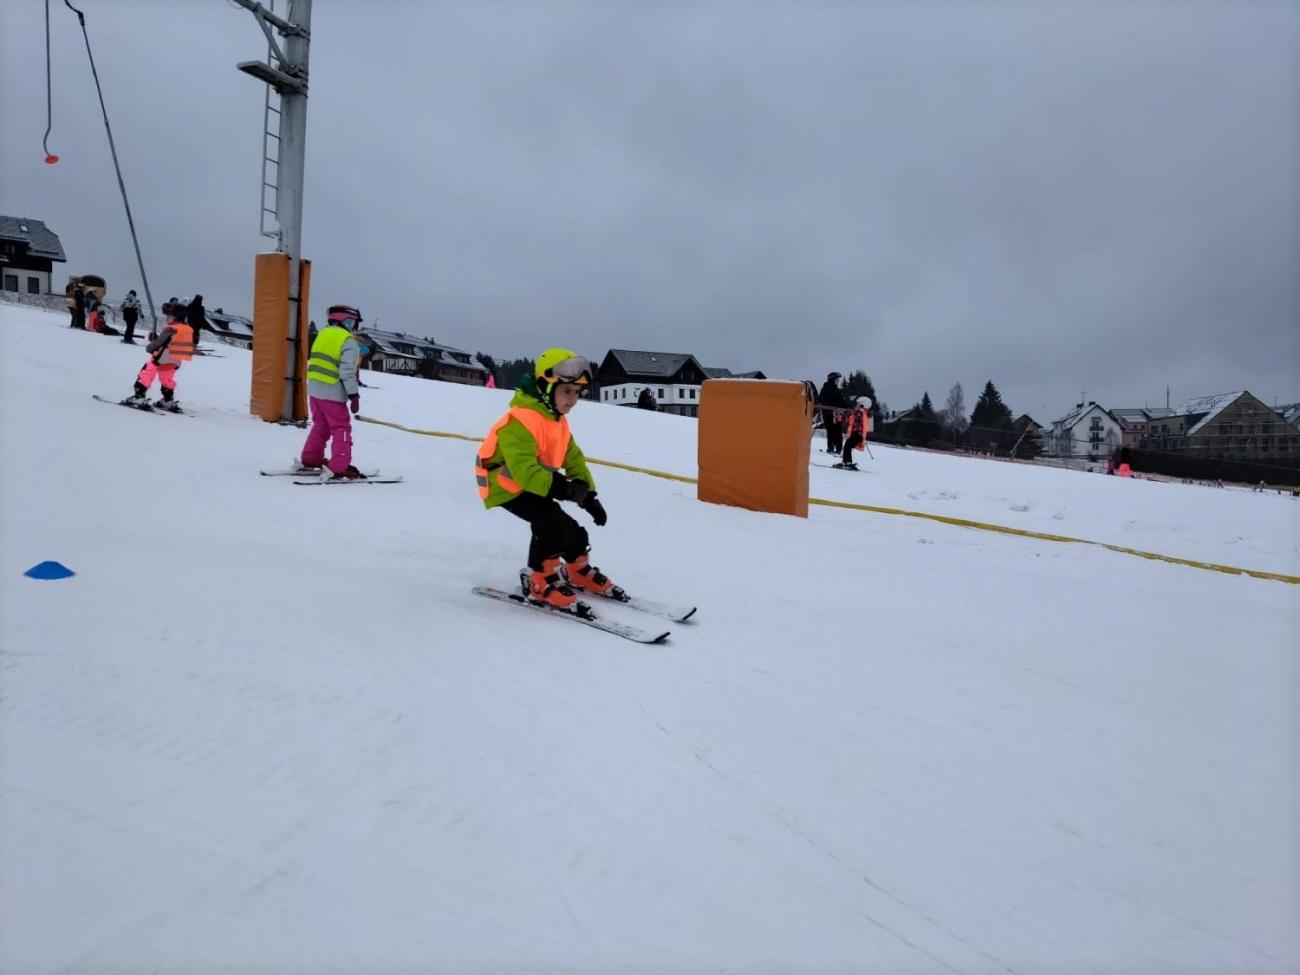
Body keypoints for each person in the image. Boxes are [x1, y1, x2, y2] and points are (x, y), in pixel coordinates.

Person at [475, 348, 613, 610]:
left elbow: (573, 458)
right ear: (545, 387)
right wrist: (566, 489)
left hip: (536, 483)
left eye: (577, 393)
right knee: (551, 525)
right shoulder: (519, 421)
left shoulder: (556, 421)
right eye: (567, 391)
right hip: (505, 486)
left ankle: (576, 569)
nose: (573, 400)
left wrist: (589, 496)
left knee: (571, 529)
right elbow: (524, 470)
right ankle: (538, 579)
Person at [299, 304, 367, 480]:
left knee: (321, 425)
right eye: (351, 323)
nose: (353, 327)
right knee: (341, 428)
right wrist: (354, 395)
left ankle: (311, 457)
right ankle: (339, 467)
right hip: (333, 392)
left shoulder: (323, 334)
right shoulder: (347, 340)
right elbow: (347, 372)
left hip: (314, 390)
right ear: (342, 321)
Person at [128, 301, 193, 410]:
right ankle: (168, 400)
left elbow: (158, 343)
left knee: (146, 374)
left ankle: (138, 397)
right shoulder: (186, 330)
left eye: (170, 317)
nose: (167, 319)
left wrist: (150, 346)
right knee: (167, 379)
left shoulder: (170, 329)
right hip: (174, 361)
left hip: (159, 359)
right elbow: (171, 342)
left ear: (177, 318)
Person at [840, 396, 872, 468]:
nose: (856, 406)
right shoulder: (864, 413)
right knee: (847, 446)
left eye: (858, 404)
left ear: (862, 405)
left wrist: (847, 414)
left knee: (847, 446)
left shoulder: (859, 412)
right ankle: (845, 462)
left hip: (856, 434)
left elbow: (853, 421)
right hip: (858, 434)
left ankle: (848, 462)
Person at [819, 371, 847, 454]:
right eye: (837, 380)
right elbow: (840, 402)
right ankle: (838, 449)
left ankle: (830, 448)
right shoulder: (835, 390)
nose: (838, 381)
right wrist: (846, 408)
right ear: (832, 380)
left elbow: (820, 400)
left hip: (826, 414)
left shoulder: (824, 389)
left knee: (830, 431)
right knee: (837, 431)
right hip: (835, 415)